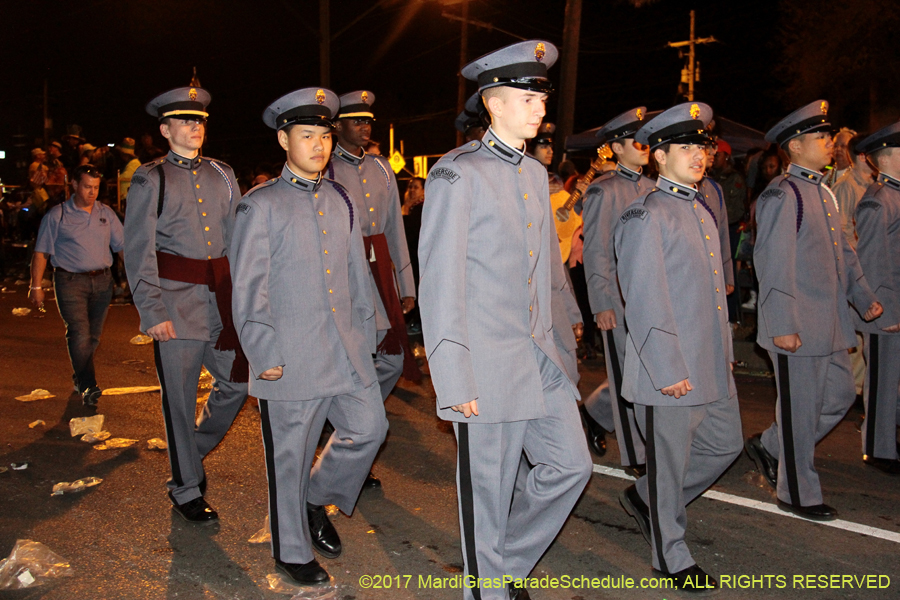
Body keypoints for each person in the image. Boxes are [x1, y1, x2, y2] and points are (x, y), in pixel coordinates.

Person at [420, 40, 591, 600]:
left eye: (541, 98)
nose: (540, 110)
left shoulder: (531, 176)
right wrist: (453, 376)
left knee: (570, 466)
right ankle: (486, 589)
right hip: (485, 360)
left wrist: (568, 329)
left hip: (539, 356)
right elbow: (440, 284)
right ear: (493, 103)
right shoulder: (457, 175)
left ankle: (502, 567)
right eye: (527, 98)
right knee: (486, 495)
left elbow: (547, 272)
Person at [230, 87, 388, 585]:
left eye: (324, 135)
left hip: (344, 349)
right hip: (291, 355)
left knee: (369, 427)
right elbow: (248, 288)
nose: (318, 145)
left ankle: (317, 499)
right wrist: (262, 351)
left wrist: (370, 330)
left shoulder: (341, 199)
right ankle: (290, 549)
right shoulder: (261, 206)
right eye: (306, 135)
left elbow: (356, 275)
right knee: (289, 459)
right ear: (283, 140)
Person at [615, 102, 742, 593]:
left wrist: (724, 354)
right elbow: (645, 300)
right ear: (658, 156)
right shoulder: (646, 214)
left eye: (701, 146)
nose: (698, 155)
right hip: (669, 367)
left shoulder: (700, 207)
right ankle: (670, 556)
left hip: (709, 362)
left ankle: (648, 498)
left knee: (725, 444)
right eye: (685, 147)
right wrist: (667, 367)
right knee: (668, 465)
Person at [746, 100, 882, 521]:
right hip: (797, 326)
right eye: (821, 138)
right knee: (800, 411)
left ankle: (771, 445)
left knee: (840, 396)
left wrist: (863, 297)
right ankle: (797, 492)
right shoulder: (783, 195)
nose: (829, 144)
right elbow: (771, 263)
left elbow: (844, 252)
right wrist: (782, 324)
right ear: (796, 146)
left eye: (828, 137)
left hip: (829, 323)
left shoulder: (821, 192)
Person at [124, 85, 248, 524]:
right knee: (177, 400)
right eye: (184, 121)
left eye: (199, 121)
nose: (194, 127)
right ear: (165, 129)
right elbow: (138, 249)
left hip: (221, 302)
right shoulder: (150, 177)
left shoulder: (223, 173)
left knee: (238, 382)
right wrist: (152, 311)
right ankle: (186, 487)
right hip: (175, 306)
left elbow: (239, 240)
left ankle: (187, 455)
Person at [329, 90, 420, 488]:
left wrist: (405, 281)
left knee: (392, 361)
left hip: (380, 272)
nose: (364, 127)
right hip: (347, 276)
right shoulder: (326, 168)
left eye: (368, 121)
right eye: (356, 121)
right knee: (358, 362)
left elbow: (395, 230)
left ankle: (353, 435)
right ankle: (356, 443)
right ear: (337, 125)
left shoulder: (383, 168)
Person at [579, 107, 653, 474]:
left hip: (650, 299)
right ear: (616, 149)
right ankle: (635, 454)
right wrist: (602, 302)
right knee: (625, 378)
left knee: (646, 372)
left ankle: (593, 414)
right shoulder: (603, 191)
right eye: (637, 142)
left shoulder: (653, 188)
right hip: (618, 299)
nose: (646, 147)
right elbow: (595, 251)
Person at [29, 164, 124, 406]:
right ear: (74, 185)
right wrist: (36, 286)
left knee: (93, 337)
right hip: (70, 281)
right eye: (87, 187)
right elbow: (41, 253)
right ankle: (88, 385)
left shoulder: (106, 214)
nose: (92, 192)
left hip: (102, 282)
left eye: (96, 188)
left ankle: (80, 375)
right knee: (79, 333)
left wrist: (138, 277)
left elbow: (123, 248)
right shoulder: (57, 215)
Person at [853, 123, 900, 474]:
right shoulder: (878, 199)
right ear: (885, 157)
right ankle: (878, 447)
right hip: (887, 306)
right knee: (883, 379)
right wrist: (883, 310)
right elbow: (872, 260)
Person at [832, 132, 875, 248]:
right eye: (874, 153)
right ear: (862, 157)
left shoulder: (872, 184)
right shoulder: (846, 186)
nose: (878, 158)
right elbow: (841, 230)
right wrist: (855, 257)